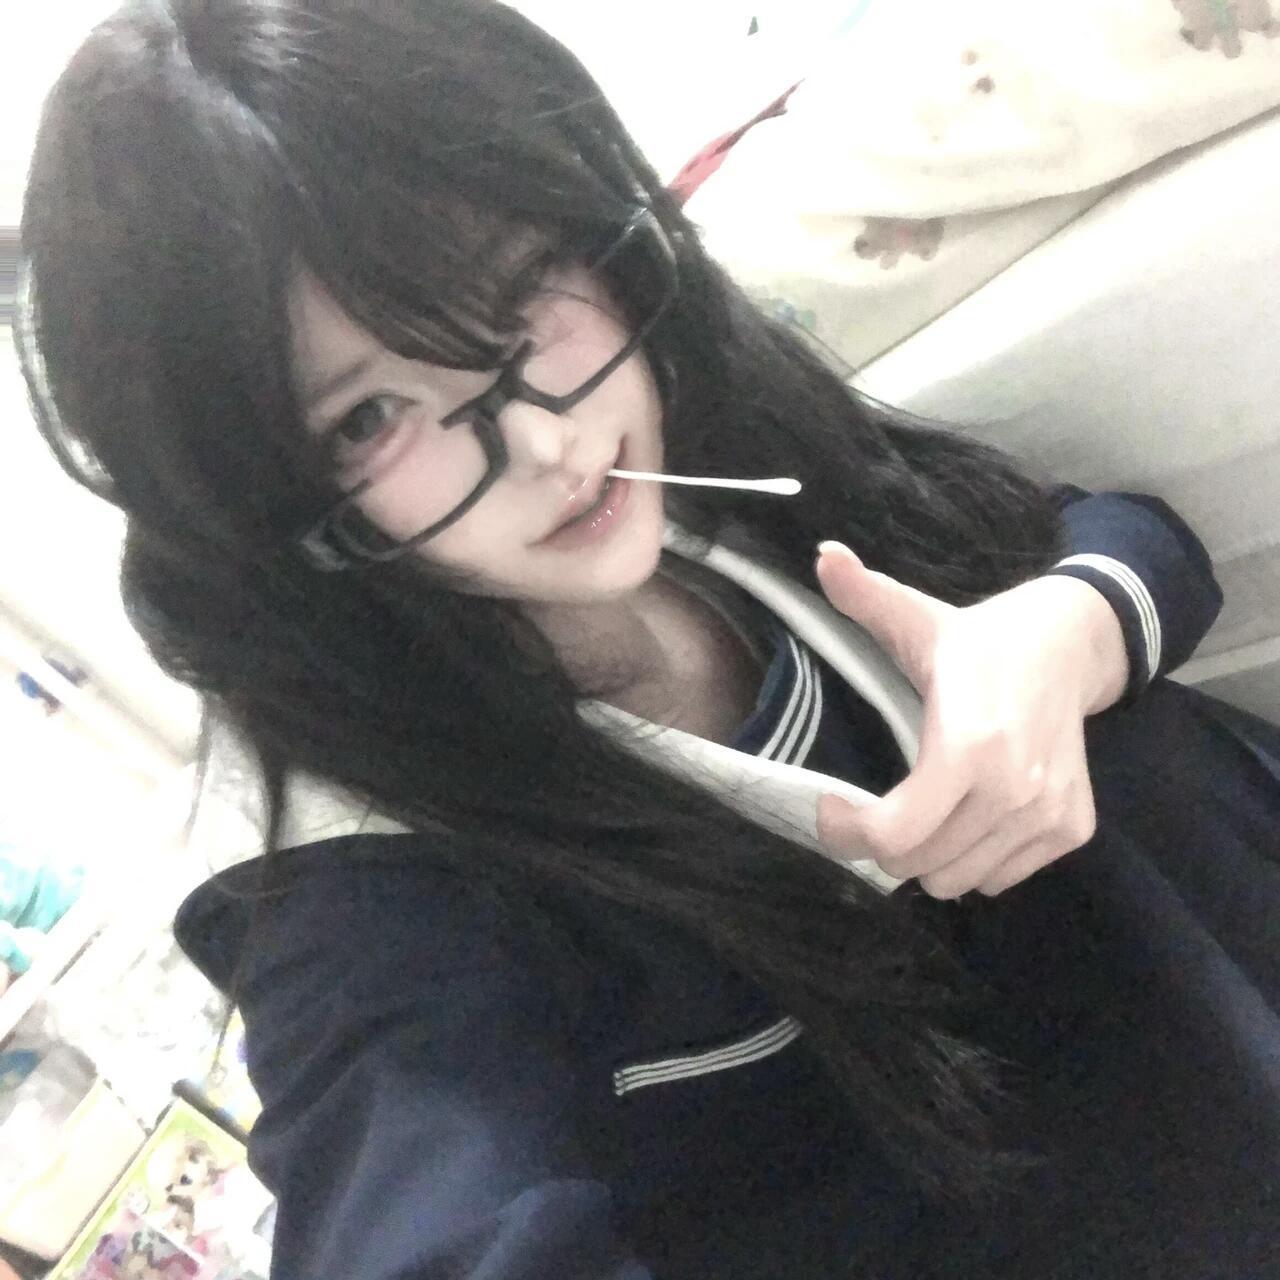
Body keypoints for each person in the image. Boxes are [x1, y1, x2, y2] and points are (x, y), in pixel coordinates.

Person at [16, 2, 1279, 1276]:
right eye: (369, 418)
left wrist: (1067, 632)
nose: (544, 444)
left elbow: (1104, 536)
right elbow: (415, 1178)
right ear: (259, 498)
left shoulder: (710, 433)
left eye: (517, 290)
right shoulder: (368, 894)